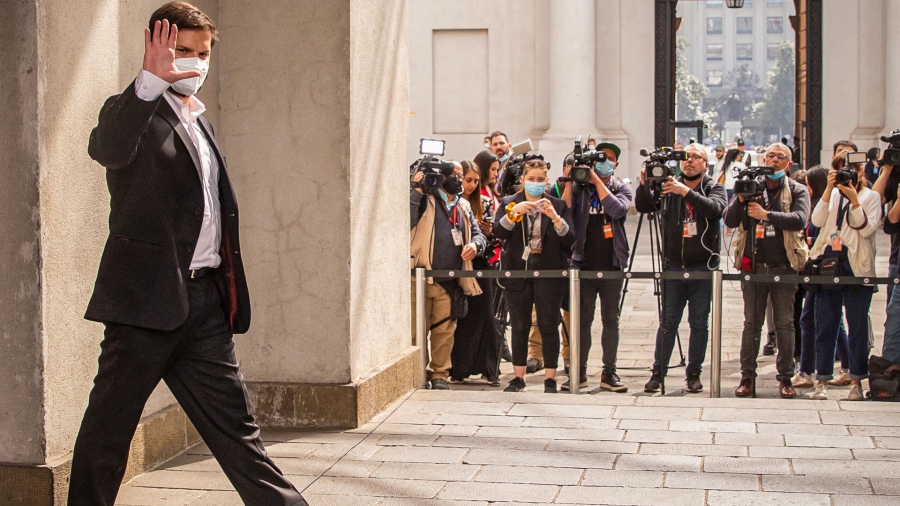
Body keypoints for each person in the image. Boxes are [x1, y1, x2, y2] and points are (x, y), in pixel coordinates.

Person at [69, 4, 307, 505]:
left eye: (203, 55)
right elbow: (107, 149)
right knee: (107, 438)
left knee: (240, 437)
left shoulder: (202, 125)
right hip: (142, 308)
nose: (195, 65)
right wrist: (148, 82)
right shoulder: (132, 110)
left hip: (203, 306)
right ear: (157, 48)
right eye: (183, 52)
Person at [635, 143, 726, 394]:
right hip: (673, 267)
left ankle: (693, 374)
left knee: (699, 322)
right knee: (668, 322)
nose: (690, 161)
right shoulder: (668, 188)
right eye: (686, 157)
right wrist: (645, 185)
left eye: (696, 157)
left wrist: (685, 191)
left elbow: (715, 209)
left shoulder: (714, 188)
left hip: (703, 268)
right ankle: (658, 372)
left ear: (706, 165)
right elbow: (644, 207)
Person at [724, 143, 810, 399]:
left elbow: (800, 219)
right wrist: (741, 198)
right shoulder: (750, 185)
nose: (773, 159)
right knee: (752, 323)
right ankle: (747, 377)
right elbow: (729, 221)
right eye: (770, 155)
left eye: (780, 156)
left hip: (784, 265)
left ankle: (785, 378)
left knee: (784, 323)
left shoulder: (797, 189)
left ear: (788, 163)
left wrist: (766, 214)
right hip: (754, 264)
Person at [494, 159, 574, 393]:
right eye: (532, 179)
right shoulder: (509, 202)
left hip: (549, 272)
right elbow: (498, 233)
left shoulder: (558, 205)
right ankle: (518, 377)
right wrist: (512, 215)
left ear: (547, 181)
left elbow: (570, 240)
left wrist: (555, 219)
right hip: (517, 272)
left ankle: (550, 377)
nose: (536, 184)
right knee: (519, 325)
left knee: (549, 325)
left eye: (540, 180)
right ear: (523, 180)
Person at [807, 152, 881, 400]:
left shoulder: (872, 196)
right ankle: (822, 380)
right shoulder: (834, 194)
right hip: (830, 259)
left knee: (857, 326)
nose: (847, 173)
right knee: (825, 324)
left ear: (862, 171)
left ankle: (857, 381)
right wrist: (829, 191)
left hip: (857, 264)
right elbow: (816, 220)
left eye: (852, 169)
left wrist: (855, 200)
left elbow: (867, 229)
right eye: (840, 169)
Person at [561, 142, 633, 392]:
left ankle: (609, 371)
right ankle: (578, 372)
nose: (605, 162)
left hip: (612, 264)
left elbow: (617, 210)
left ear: (616, 163)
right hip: (583, 263)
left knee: (610, 319)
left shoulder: (621, 187)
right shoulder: (580, 189)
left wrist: (597, 182)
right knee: (582, 321)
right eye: (601, 159)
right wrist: (570, 181)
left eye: (610, 159)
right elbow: (564, 214)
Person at [411, 162, 488, 390]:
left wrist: (475, 244)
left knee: (445, 331)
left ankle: (440, 373)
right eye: (456, 175)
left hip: (450, 280)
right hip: (420, 278)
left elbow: (478, 233)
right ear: (442, 178)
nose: (460, 180)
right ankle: (417, 372)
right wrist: (416, 190)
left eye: (461, 176)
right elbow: (405, 220)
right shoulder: (425, 200)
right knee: (416, 330)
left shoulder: (463, 205)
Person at [450, 161, 501, 386]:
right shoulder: (452, 203)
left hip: (481, 263)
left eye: (474, 181)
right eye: (467, 180)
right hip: (459, 262)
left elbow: (492, 236)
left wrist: (488, 232)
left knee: (487, 316)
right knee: (463, 317)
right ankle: (460, 367)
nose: (470, 185)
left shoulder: (485, 203)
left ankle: (490, 368)